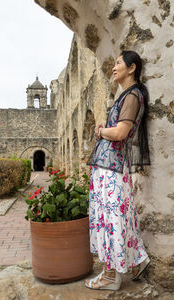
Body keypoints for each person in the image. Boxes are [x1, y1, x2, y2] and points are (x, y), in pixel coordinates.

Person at [85, 50, 151, 290]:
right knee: (117, 218)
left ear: (131, 68)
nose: (113, 67)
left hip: (111, 169)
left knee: (110, 220)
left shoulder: (132, 95)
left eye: (118, 63)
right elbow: (117, 127)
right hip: (110, 167)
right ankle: (137, 259)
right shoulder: (126, 95)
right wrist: (106, 125)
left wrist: (101, 131)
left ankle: (111, 277)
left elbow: (121, 133)